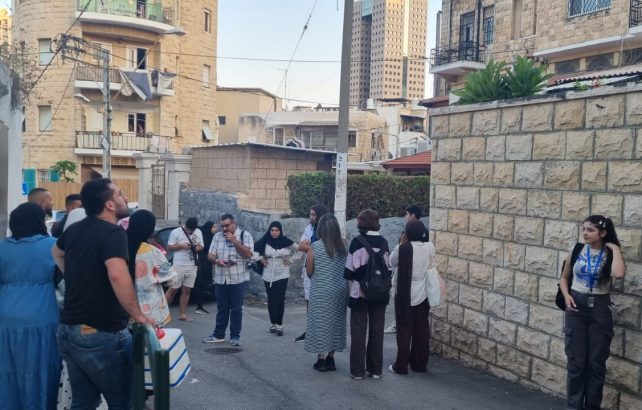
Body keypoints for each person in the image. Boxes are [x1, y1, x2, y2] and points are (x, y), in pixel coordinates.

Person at [52, 178, 153, 409]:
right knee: (124, 401)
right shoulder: (113, 233)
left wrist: (77, 277)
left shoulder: (75, 229)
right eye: (120, 194)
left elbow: (56, 252)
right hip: (101, 332)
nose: (124, 198)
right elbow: (117, 275)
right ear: (109, 204)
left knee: (84, 402)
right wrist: (138, 315)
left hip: (69, 329)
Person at [559, 215, 625, 410]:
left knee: (596, 364)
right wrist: (566, 296)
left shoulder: (610, 255)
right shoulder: (577, 249)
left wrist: (615, 249)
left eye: (590, 230)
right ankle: (574, 407)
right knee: (576, 364)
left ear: (602, 233)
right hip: (576, 307)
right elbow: (564, 278)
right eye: (584, 229)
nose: (585, 233)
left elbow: (618, 274)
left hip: (600, 308)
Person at [0, 203, 60, 409]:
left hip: (6, 316)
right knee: (39, 366)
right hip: (42, 314)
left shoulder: (2, 248)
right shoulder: (52, 246)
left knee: (8, 367)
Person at [344, 209, 391, 380]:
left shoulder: (357, 242)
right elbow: (388, 269)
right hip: (380, 293)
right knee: (377, 331)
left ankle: (358, 371)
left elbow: (348, 272)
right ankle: (376, 370)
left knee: (358, 331)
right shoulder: (384, 243)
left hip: (360, 293)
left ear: (362, 222)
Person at [388, 219, 436, 375]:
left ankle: (401, 365)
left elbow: (391, 262)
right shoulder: (429, 247)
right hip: (423, 294)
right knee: (421, 331)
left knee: (404, 331)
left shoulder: (402, 249)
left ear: (406, 234)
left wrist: (401, 244)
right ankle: (419, 364)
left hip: (404, 295)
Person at [203, 214, 254, 347]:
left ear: (233, 223)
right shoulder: (217, 236)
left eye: (227, 225)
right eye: (222, 226)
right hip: (221, 279)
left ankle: (235, 336)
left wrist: (235, 241)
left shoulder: (245, 235)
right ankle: (218, 335)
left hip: (238, 279)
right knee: (222, 308)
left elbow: (249, 254)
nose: (224, 228)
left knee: (236, 309)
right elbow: (210, 255)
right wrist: (217, 261)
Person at [304, 214, 347, 372]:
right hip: (340, 290)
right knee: (336, 322)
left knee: (320, 323)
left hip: (320, 290)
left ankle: (321, 359)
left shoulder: (315, 246)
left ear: (321, 229)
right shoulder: (344, 245)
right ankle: (331, 358)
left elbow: (309, 271)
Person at [127, 209, 177, 327]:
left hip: (126, 310)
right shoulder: (152, 252)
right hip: (150, 312)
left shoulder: (120, 247)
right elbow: (172, 279)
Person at [385, 205, 429, 335]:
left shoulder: (408, 233)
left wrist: (400, 246)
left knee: (403, 307)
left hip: (406, 276)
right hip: (420, 278)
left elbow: (393, 260)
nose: (405, 216)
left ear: (413, 215)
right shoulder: (424, 232)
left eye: (407, 214)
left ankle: (399, 324)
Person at [254, 221, 297, 336]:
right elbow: (251, 251)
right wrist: (260, 258)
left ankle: (279, 325)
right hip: (268, 274)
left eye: (277, 230)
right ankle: (272, 323)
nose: (274, 233)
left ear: (280, 231)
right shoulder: (265, 240)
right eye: (272, 230)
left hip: (282, 273)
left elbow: (300, 249)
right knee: (271, 299)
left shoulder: (286, 241)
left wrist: (291, 260)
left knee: (279, 299)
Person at [294, 204, 330, 342]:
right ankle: (310, 330)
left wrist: (310, 247)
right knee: (309, 300)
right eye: (310, 214)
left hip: (323, 269)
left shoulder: (328, 229)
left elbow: (327, 249)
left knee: (322, 302)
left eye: (314, 214)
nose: (311, 217)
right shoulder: (309, 228)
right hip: (309, 267)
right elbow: (300, 246)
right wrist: (312, 248)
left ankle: (321, 332)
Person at [165, 217, 204, 322]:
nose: (191, 232)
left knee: (187, 290)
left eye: (192, 231)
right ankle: (162, 313)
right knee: (173, 289)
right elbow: (169, 247)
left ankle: (182, 314)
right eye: (189, 230)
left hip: (192, 265)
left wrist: (196, 248)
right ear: (185, 226)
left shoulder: (198, 232)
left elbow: (202, 246)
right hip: (178, 265)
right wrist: (181, 246)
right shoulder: (176, 232)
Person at [193, 221, 217, 315]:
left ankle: (200, 305)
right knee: (200, 284)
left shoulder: (210, 236)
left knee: (203, 285)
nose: (216, 229)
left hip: (206, 263)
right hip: (201, 263)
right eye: (214, 227)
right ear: (209, 228)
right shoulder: (204, 237)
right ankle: (199, 306)